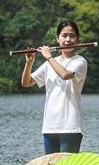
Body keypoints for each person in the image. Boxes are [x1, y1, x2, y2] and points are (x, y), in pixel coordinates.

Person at [20, 20, 88, 154]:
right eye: (64, 35)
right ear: (57, 39)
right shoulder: (50, 63)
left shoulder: (80, 62)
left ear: (78, 40)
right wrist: (29, 62)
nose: (68, 39)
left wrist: (49, 57)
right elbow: (26, 83)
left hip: (70, 126)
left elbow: (65, 75)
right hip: (49, 126)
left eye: (72, 36)